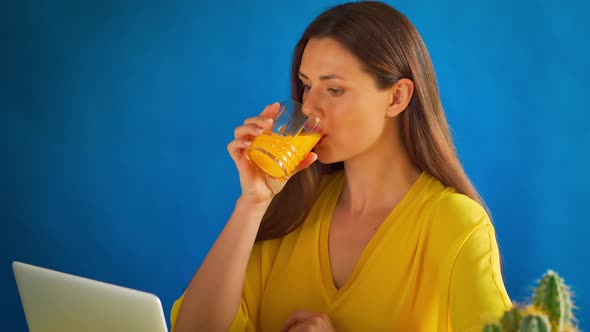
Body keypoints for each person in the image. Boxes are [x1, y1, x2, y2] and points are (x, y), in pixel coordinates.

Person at [170, 1, 512, 331]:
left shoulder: (456, 224)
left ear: (396, 98)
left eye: (334, 90)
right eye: (306, 86)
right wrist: (252, 203)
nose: (310, 108)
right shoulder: (295, 211)